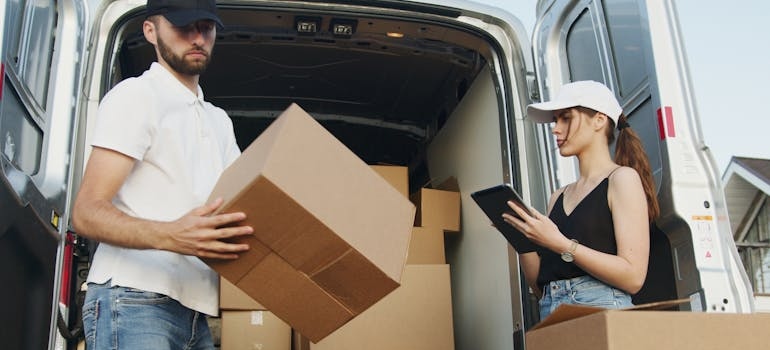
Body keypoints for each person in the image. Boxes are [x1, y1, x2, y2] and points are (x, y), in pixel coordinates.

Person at [71, 1, 253, 348]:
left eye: (207, 27)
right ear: (151, 31)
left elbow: (240, 207)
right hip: (133, 298)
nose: (198, 37)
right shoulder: (137, 96)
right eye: (184, 27)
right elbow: (86, 211)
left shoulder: (218, 120)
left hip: (196, 313)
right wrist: (171, 235)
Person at [502, 80, 659, 320]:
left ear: (599, 120)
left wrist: (561, 244)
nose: (555, 129)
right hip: (552, 312)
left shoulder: (622, 179)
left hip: (603, 310)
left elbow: (633, 276)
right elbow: (540, 287)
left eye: (566, 118)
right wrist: (519, 237)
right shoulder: (558, 196)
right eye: (556, 121)